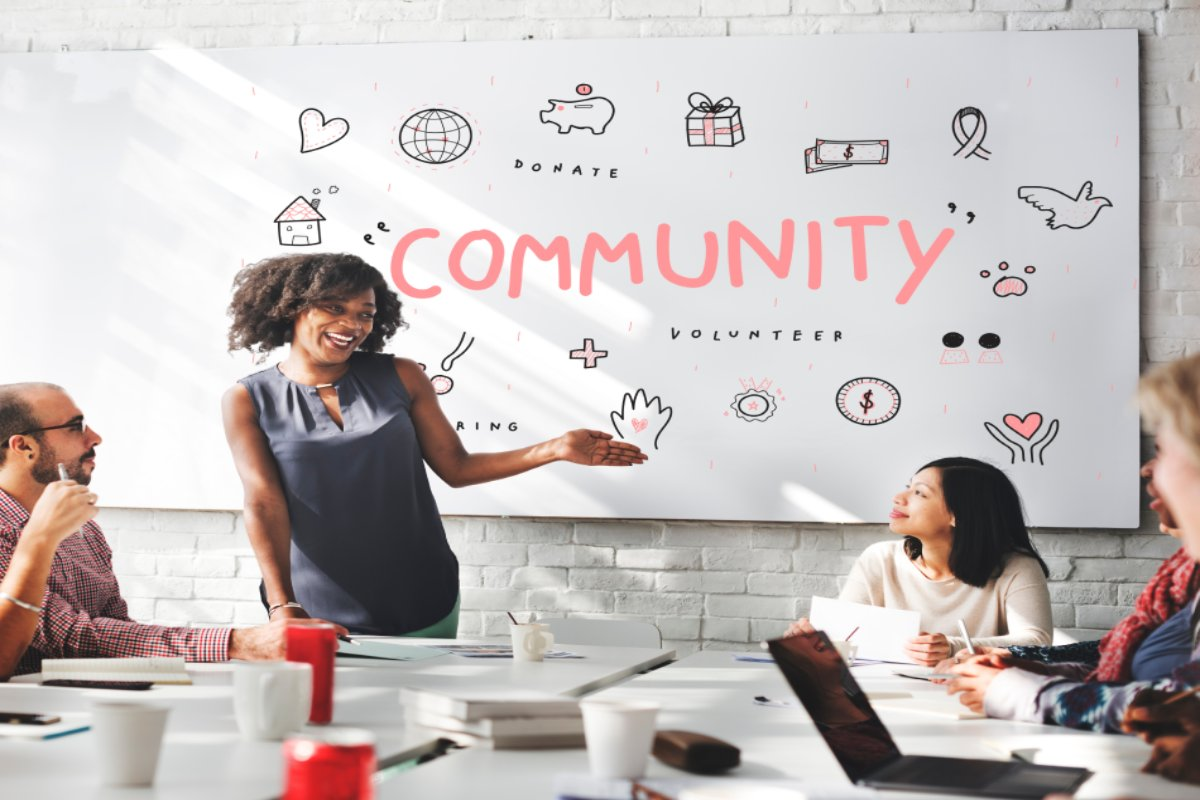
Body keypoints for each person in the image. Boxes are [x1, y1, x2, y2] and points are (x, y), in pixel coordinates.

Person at [222, 253, 647, 636]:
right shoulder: (248, 399)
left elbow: (456, 468)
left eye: (365, 314)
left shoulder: (401, 376)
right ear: (292, 309)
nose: (352, 325)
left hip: (423, 594)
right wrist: (283, 606)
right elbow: (264, 503)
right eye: (335, 308)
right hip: (313, 603)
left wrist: (555, 448)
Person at [947, 354, 1200, 787]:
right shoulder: (1185, 578)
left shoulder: (1017, 565)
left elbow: (1177, 702)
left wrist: (1016, 689)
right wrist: (1024, 671)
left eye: (1161, 449)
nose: (1147, 469)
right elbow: (1131, 667)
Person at [0, 382, 343, 676]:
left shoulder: (82, 529)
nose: (95, 437)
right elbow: (71, 638)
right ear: (24, 446)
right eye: (76, 426)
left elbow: (115, 633)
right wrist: (240, 643)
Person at [942, 455, 1198, 683]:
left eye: (1166, 451)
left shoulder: (1183, 585)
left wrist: (1019, 693)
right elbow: (1105, 656)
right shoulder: (1178, 579)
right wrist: (1017, 660)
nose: (1146, 469)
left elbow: (1169, 702)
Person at [787, 456, 1052, 665]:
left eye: (919, 493)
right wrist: (814, 640)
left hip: (970, 696)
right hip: (885, 695)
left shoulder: (1017, 567)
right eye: (908, 487)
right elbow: (845, 638)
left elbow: (1037, 641)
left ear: (958, 515)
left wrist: (952, 646)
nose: (898, 498)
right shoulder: (880, 559)